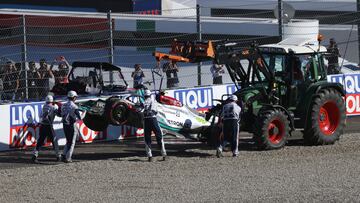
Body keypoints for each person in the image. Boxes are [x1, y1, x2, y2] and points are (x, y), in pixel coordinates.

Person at [32, 95, 61, 163]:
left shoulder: (44, 106)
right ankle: (58, 156)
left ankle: (34, 155)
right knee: (54, 141)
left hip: (42, 125)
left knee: (40, 141)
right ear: (52, 101)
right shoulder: (53, 107)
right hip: (49, 126)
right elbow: (59, 114)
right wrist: (59, 107)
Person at [142, 89, 166, 162]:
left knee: (147, 139)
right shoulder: (154, 101)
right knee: (159, 136)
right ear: (150, 95)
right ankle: (164, 154)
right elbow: (159, 100)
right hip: (153, 120)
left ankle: (150, 156)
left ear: (144, 96)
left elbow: (139, 111)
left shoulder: (143, 103)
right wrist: (160, 94)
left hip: (146, 121)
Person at [61, 90, 81, 163]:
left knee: (68, 141)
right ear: (73, 97)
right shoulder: (74, 106)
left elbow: (60, 114)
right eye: (75, 97)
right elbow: (80, 117)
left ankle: (63, 155)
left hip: (64, 125)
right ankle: (68, 158)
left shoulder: (63, 105)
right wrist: (84, 113)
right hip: (72, 125)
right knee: (72, 142)